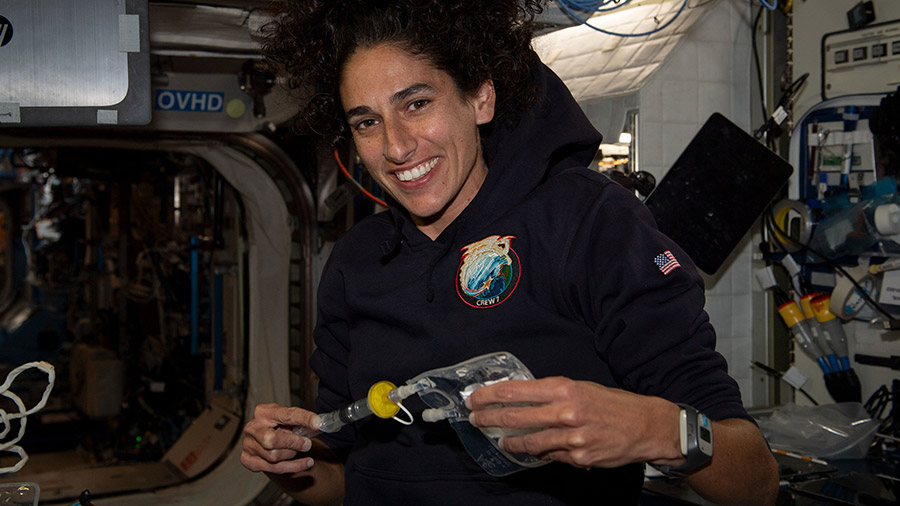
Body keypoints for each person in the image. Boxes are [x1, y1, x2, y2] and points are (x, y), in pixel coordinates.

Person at [240, 0, 780, 504]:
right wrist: (289, 464)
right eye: (367, 122)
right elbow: (346, 481)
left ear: (481, 97)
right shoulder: (354, 262)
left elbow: (755, 480)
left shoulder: (587, 222)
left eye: (418, 103)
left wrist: (653, 429)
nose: (396, 146)